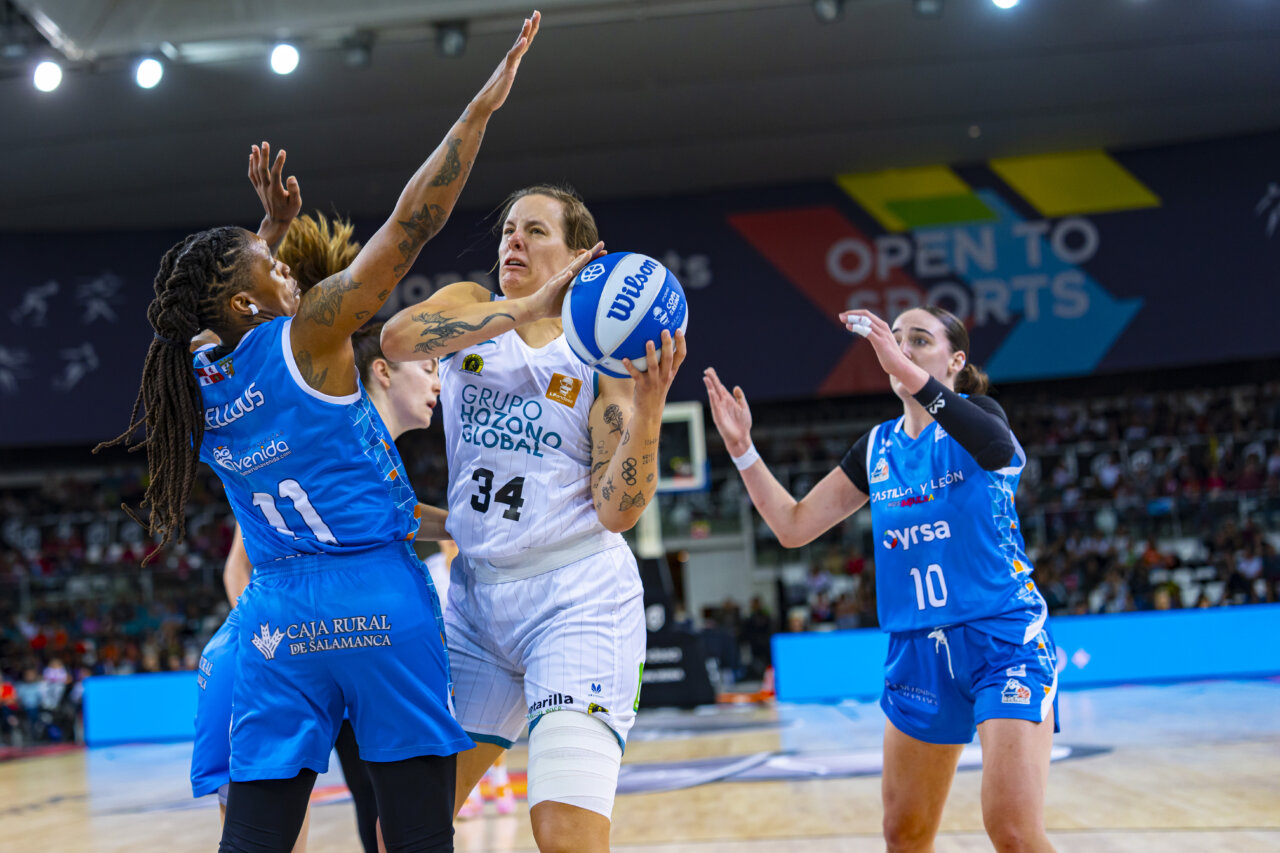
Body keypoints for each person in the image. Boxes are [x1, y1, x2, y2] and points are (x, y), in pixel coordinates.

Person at [98, 15, 541, 852]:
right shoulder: (311, 338)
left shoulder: (190, 379)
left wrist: (258, 234)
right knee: (414, 832)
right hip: (376, 599)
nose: (289, 269)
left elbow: (214, 316)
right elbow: (412, 225)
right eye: (274, 267)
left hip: (276, 620)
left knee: (257, 837)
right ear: (247, 302)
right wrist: (479, 111)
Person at [380, 185, 687, 852]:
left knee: (563, 833)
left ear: (583, 256)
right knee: (401, 828)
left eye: (535, 231)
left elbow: (619, 510)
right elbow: (397, 338)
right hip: (476, 605)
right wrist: (521, 308)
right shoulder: (472, 307)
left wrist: (650, 405)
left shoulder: (601, 363)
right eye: (509, 229)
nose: (512, 241)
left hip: (576, 598)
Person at [703, 305, 1059, 853]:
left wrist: (913, 375)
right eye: (895, 340)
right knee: (904, 836)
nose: (902, 348)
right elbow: (793, 526)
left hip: (1002, 640)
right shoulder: (877, 448)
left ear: (956, 361)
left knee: (1012, 831)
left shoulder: (979, 417)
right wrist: (742, 450)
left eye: (920, 340)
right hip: (917, 649)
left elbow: (996, 448)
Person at [192, 209, 447, 853]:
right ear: (380, 371)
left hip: (264, 635)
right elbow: (405, 231)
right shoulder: (324, 382)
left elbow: (202, 327)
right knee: (402, 820)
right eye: (427, 365)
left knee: (261, 834)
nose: (438, 377)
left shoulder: (208, 377)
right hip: (365, 612)